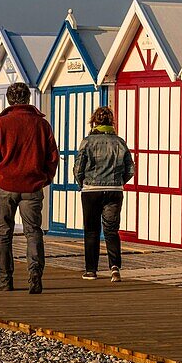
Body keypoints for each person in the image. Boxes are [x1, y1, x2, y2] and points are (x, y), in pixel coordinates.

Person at [0, 82, 59, 294]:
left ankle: (4, 280)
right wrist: (45, 178)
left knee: (3, 233)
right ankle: (35, 274)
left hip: (7, 185)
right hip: (32, 186)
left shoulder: (1, 124)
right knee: (33, 232)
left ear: (9, 100)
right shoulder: (41, 125)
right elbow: (52, 156)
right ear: (27, 99)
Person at [74, 106, 133, 282]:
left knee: (91, 230)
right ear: (111, 122)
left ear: (94, 122)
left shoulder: (87, 142)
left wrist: (81, 183)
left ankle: (91, 270)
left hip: (91, 190)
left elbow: (78, 168)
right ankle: (115, 268)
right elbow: (130, 169)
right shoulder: (120, 142)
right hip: (114, 191)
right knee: (111, 230)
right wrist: (119, 182)